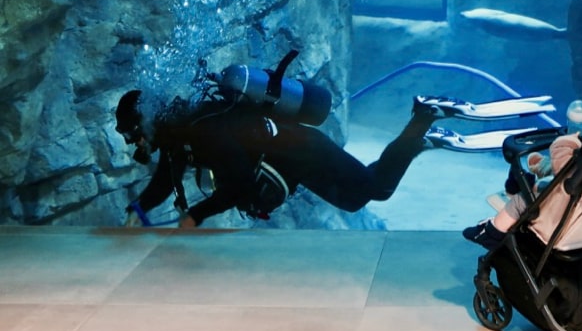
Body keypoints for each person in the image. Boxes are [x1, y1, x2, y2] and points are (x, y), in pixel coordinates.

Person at [116, 90, 446, 227]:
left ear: (146, 123)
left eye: (132, 135)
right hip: (294, 159)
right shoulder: (180, 133)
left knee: (377, 189)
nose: (135, 143)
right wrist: (138, 209)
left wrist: (195, 216)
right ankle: (417, 136)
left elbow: (239, 184)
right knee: (355, 199)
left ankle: (422, 123)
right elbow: (163, 181)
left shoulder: (202, 131)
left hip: (304, 148)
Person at [462, 132, 582, 249]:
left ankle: (492, 232)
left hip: (562, 208)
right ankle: (539, 169)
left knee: (521, 201)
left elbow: (563, 164)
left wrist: (566, 142)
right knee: (573, 172)